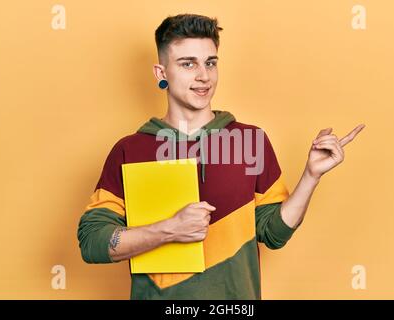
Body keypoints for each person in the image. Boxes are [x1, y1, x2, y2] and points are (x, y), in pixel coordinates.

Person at [77, 13, 365, 300]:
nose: (203, 76)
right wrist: (168, 230)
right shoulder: (130, 150)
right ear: (161, 73)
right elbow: (92, 242)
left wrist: (311, 176)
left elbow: (274, 234)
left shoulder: (250, 141)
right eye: (188, 64)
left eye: (210, 63)